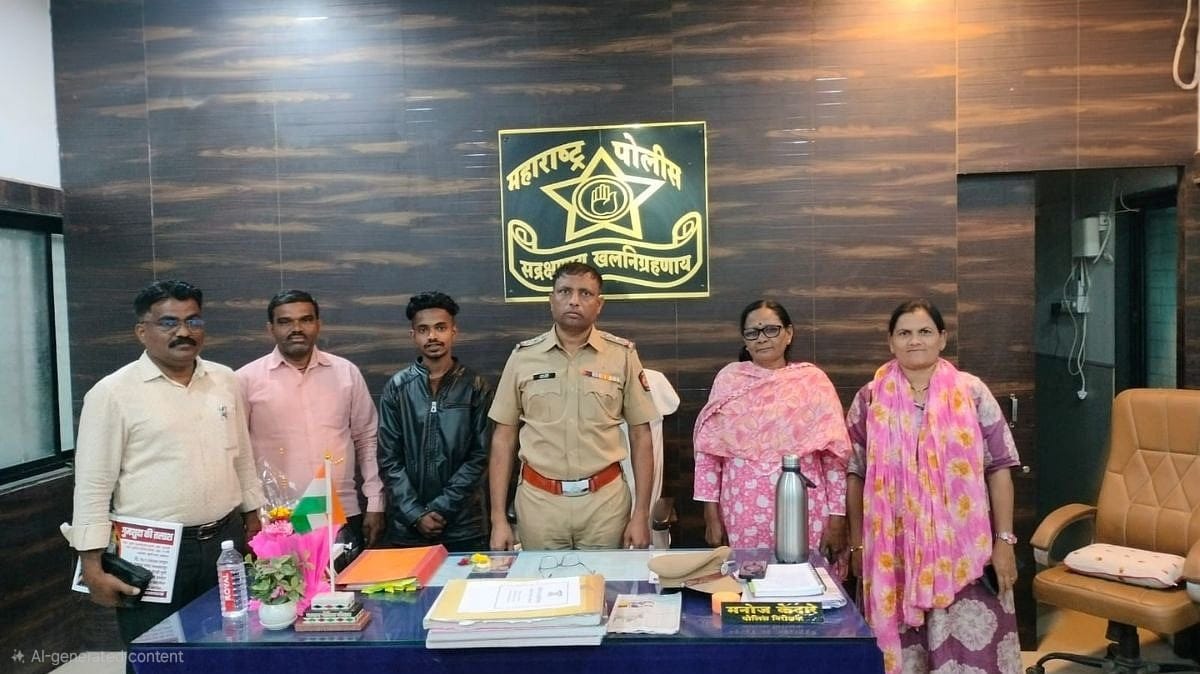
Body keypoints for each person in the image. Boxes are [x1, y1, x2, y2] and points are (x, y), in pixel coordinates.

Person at [62, 279, 264, 645]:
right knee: (157, 652)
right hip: (153, 552)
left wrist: (253, 517)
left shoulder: (224, 379)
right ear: (142, 331)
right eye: (169, 322)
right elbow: (93, 485)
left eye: (193, 321)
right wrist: (91, 565)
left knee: (227, 644)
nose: (184, 332)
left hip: (224, 543)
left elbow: (242, 455)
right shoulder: (112, 393)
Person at [845, 299, 1021, 674]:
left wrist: (1004, 541)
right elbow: (854, 472)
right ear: (890, 342)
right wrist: (858, 543)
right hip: (893, 552)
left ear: (942, 338)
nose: (915, 341)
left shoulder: (972, 392)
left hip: (965, 549)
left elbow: (1000, 466)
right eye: (904, 333)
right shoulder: (870, 398)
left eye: (924, 332)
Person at [488, 262, 660, 550]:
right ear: (551, 299)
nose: (574, 301)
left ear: (599, 304)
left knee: (605, 580)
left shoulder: (622, 356)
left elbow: (641, 436)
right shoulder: (522, 358)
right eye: (565, 291)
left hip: (605, 506)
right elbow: (503, 438)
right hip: (539, 505)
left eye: (585, 293)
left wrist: (641, 514)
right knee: (544, 581)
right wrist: (498, 519)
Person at [693, 299, 851, 569]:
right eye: (752, 332)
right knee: (750, 579)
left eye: (771, 330)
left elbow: (833, 458)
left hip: (803, 505)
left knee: (803, 579)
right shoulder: (729, 380)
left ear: (789, 333)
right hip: (743, 507)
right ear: (745, 340)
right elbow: (709, 453)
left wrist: (837, 517)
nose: (762, 338)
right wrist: (711, 514)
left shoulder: (813, 381)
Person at [237, 290, 385, 549]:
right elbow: (239, 451)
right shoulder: (246, 379)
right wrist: (249, 511)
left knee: (345, 577)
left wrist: (375, 501)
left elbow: (366, 439)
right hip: (278, 519)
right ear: (270, 329)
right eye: (285, 321)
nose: (296, 329)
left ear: (318, 324)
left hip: (340, 512)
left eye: (305, 320)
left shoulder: (345, 373)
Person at [376, 291, 493, 552]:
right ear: (413, 335)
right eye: (423, 329)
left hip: (464, 525)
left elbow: (481, 456)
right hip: (408, 527)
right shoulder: (398, 387)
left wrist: (442, 508)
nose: (432, 336)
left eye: (440, 328)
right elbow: (389, 459)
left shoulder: (475, 386)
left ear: (454, 331)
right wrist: (415, 513)